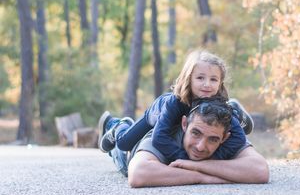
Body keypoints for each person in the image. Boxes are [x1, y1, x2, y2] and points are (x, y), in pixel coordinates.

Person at [98, 49, 254, 163]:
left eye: (213, 80)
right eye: (200, 78)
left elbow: (239, 139)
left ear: (220, 83)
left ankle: (234, 112)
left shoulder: (216, 103)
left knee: (228, 121)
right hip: (155, 114)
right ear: (189, 78)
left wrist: (213, 159)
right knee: (124, 143)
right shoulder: (174, 102)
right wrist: (185, 159)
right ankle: (118, 126)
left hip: (200, 114)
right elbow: (159, 138)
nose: (207, 84)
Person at [109, 98, 269, 187]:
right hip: (126, 154)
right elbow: (139, 174)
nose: (200, 146)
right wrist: (205, 178)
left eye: (213, 140)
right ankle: (117, 125)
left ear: (224, 138)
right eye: (196, 133)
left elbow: (260, 170)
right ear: (184, 124)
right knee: (120, 148)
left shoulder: (226, 135)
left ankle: (233, 111)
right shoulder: (164, 134)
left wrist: (196, 165)